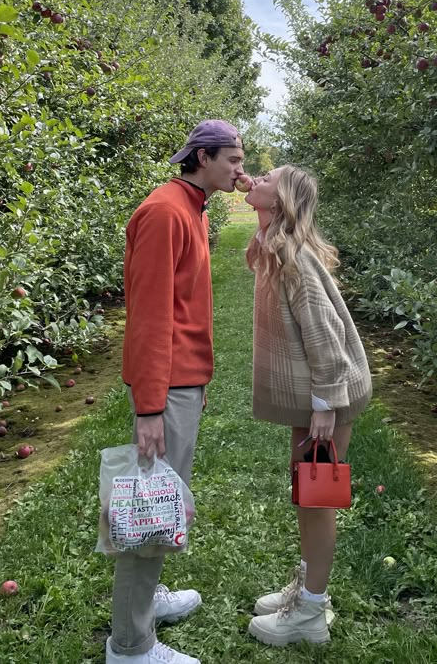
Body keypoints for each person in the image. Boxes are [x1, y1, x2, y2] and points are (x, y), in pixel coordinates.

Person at [107, 120, 246, 664]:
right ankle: (131, 644)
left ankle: (146, 601)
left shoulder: (190, 208)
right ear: (203, 157)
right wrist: (151, 406)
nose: (240, 168)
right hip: (164, 391)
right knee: (149, 508)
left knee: (163, 498)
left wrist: (195, 382)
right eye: (232, 159)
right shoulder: (166, 211)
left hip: (181, 384)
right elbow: (148, 317)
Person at [242, 165, 372, 647]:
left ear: (283, 200)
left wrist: (324, 406)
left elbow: (325, 337)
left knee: (316, 497)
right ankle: (307, 587)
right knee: (306, 492)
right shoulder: (276, 248)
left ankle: (311, 614)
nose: (254, 175)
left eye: (267, 177)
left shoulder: (294, 258)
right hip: (321, 395)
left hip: (330, 395)